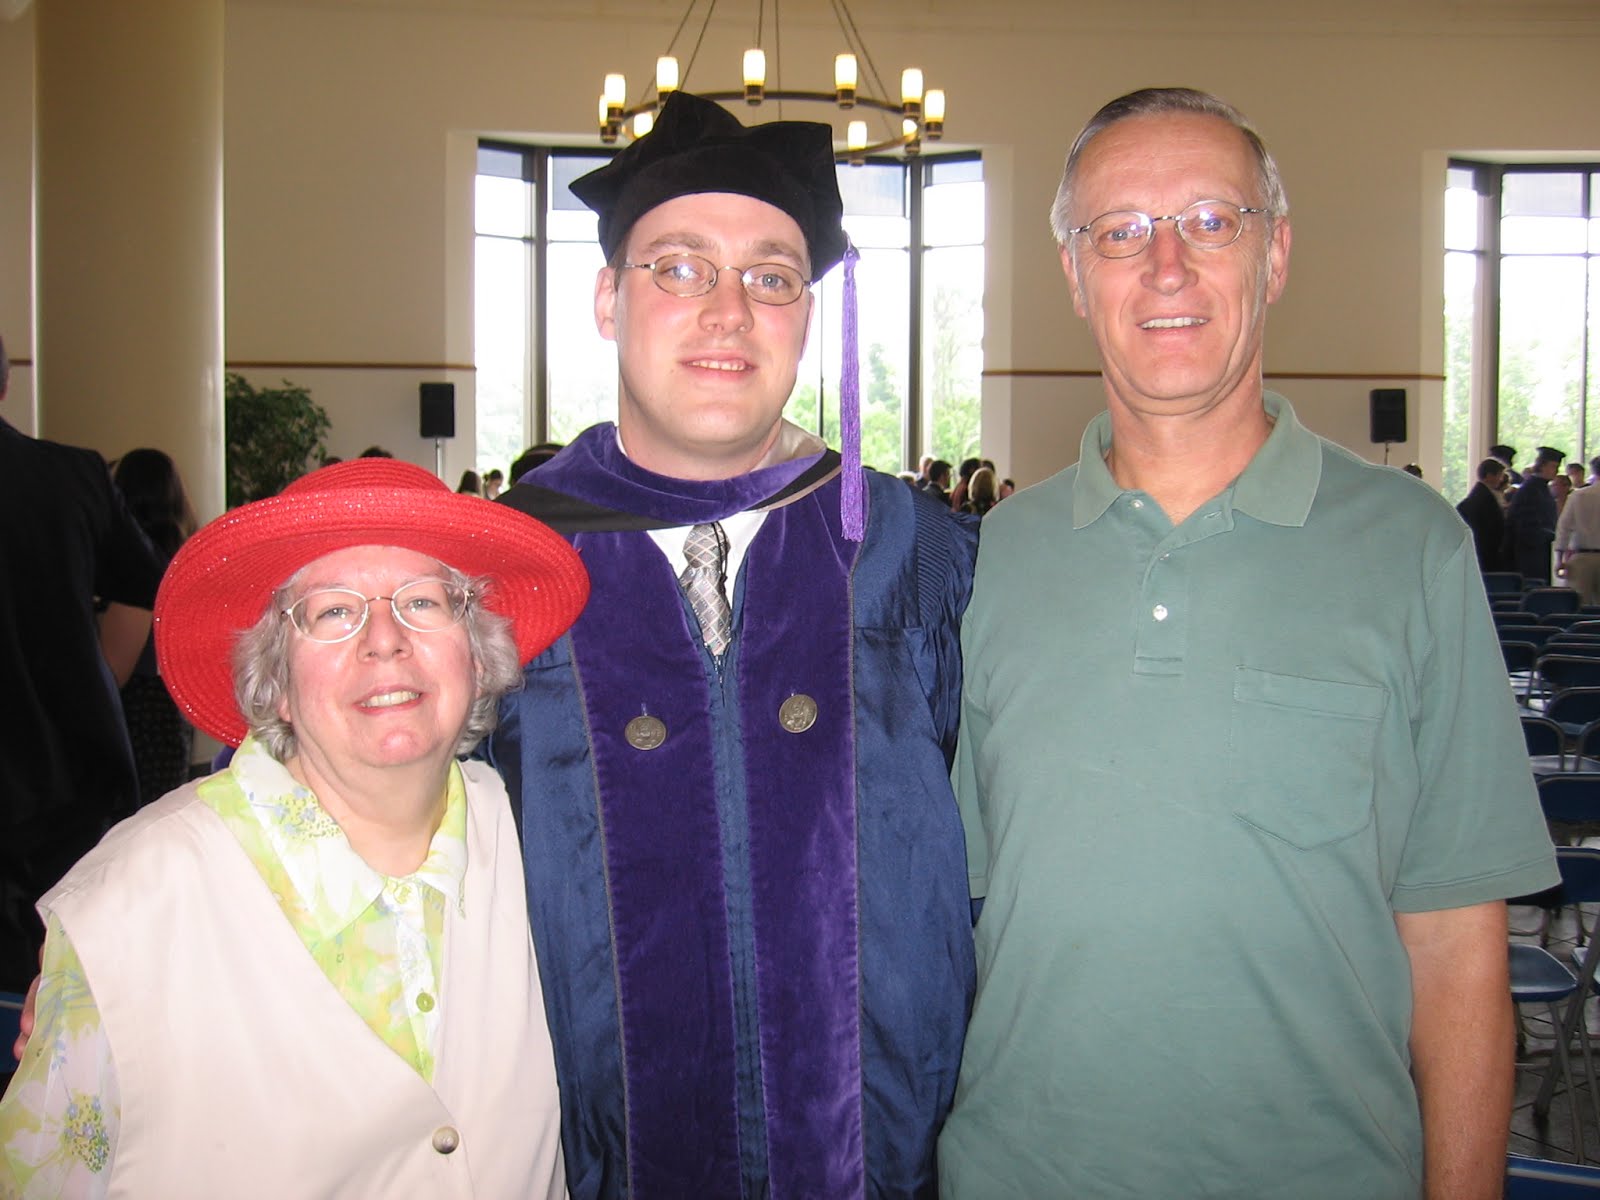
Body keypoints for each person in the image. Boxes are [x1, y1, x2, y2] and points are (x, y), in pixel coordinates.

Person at [937, 87, 1557, 1200]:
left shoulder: (1410, 547)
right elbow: (958, 915)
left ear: (1272, 255)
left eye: (1211, 222)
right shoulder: (987, 559)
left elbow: (1461, 950)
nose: (1164, 266)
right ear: (1074, 275)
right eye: (1119, 230)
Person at [492, 90, 975, 1199]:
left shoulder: (912, 551)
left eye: (770, 276)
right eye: (677, 266)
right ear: (607, 299)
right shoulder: (492, 572)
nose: (726, 310)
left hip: (881, 1157)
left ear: (806, 313)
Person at [0, 458, 589, 1197]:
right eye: (333, 611)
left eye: (425, 602)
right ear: (274, 680)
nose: (384, 639)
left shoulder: (541, 834)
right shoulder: (131, 911)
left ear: (478, 654)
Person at [0, 333, 168, 997]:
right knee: (64, 985)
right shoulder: (69, 476)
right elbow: (146, 585)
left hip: (54, 778)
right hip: (61, 768)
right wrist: (101, 675)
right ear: (6, 381)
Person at [104, 448, 200, 806]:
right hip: (169, 707)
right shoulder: (184, 560)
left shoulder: (135, 570)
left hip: (139, 710)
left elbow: (115, 669)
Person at [1505, 445, 1564, 584]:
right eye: (1553, 466)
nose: (1556, 471)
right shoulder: (1530, 490)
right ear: (1542, 466)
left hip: (1539, 551)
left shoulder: (1540, 489)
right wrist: (1552, 534)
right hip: (1530, 554)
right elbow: (1527, 526)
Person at [1456, 456, 1509, 573]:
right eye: (1499, 475)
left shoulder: (1477, 497)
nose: (1501, 480)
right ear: (1490, 476)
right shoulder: (1485, 500)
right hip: (1485, 556)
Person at [1557, 463, 1600, 603]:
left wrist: (1560, 559)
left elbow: (1564, 527)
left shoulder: (1578, 495)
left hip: (1581, 557)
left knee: (1579, 606)